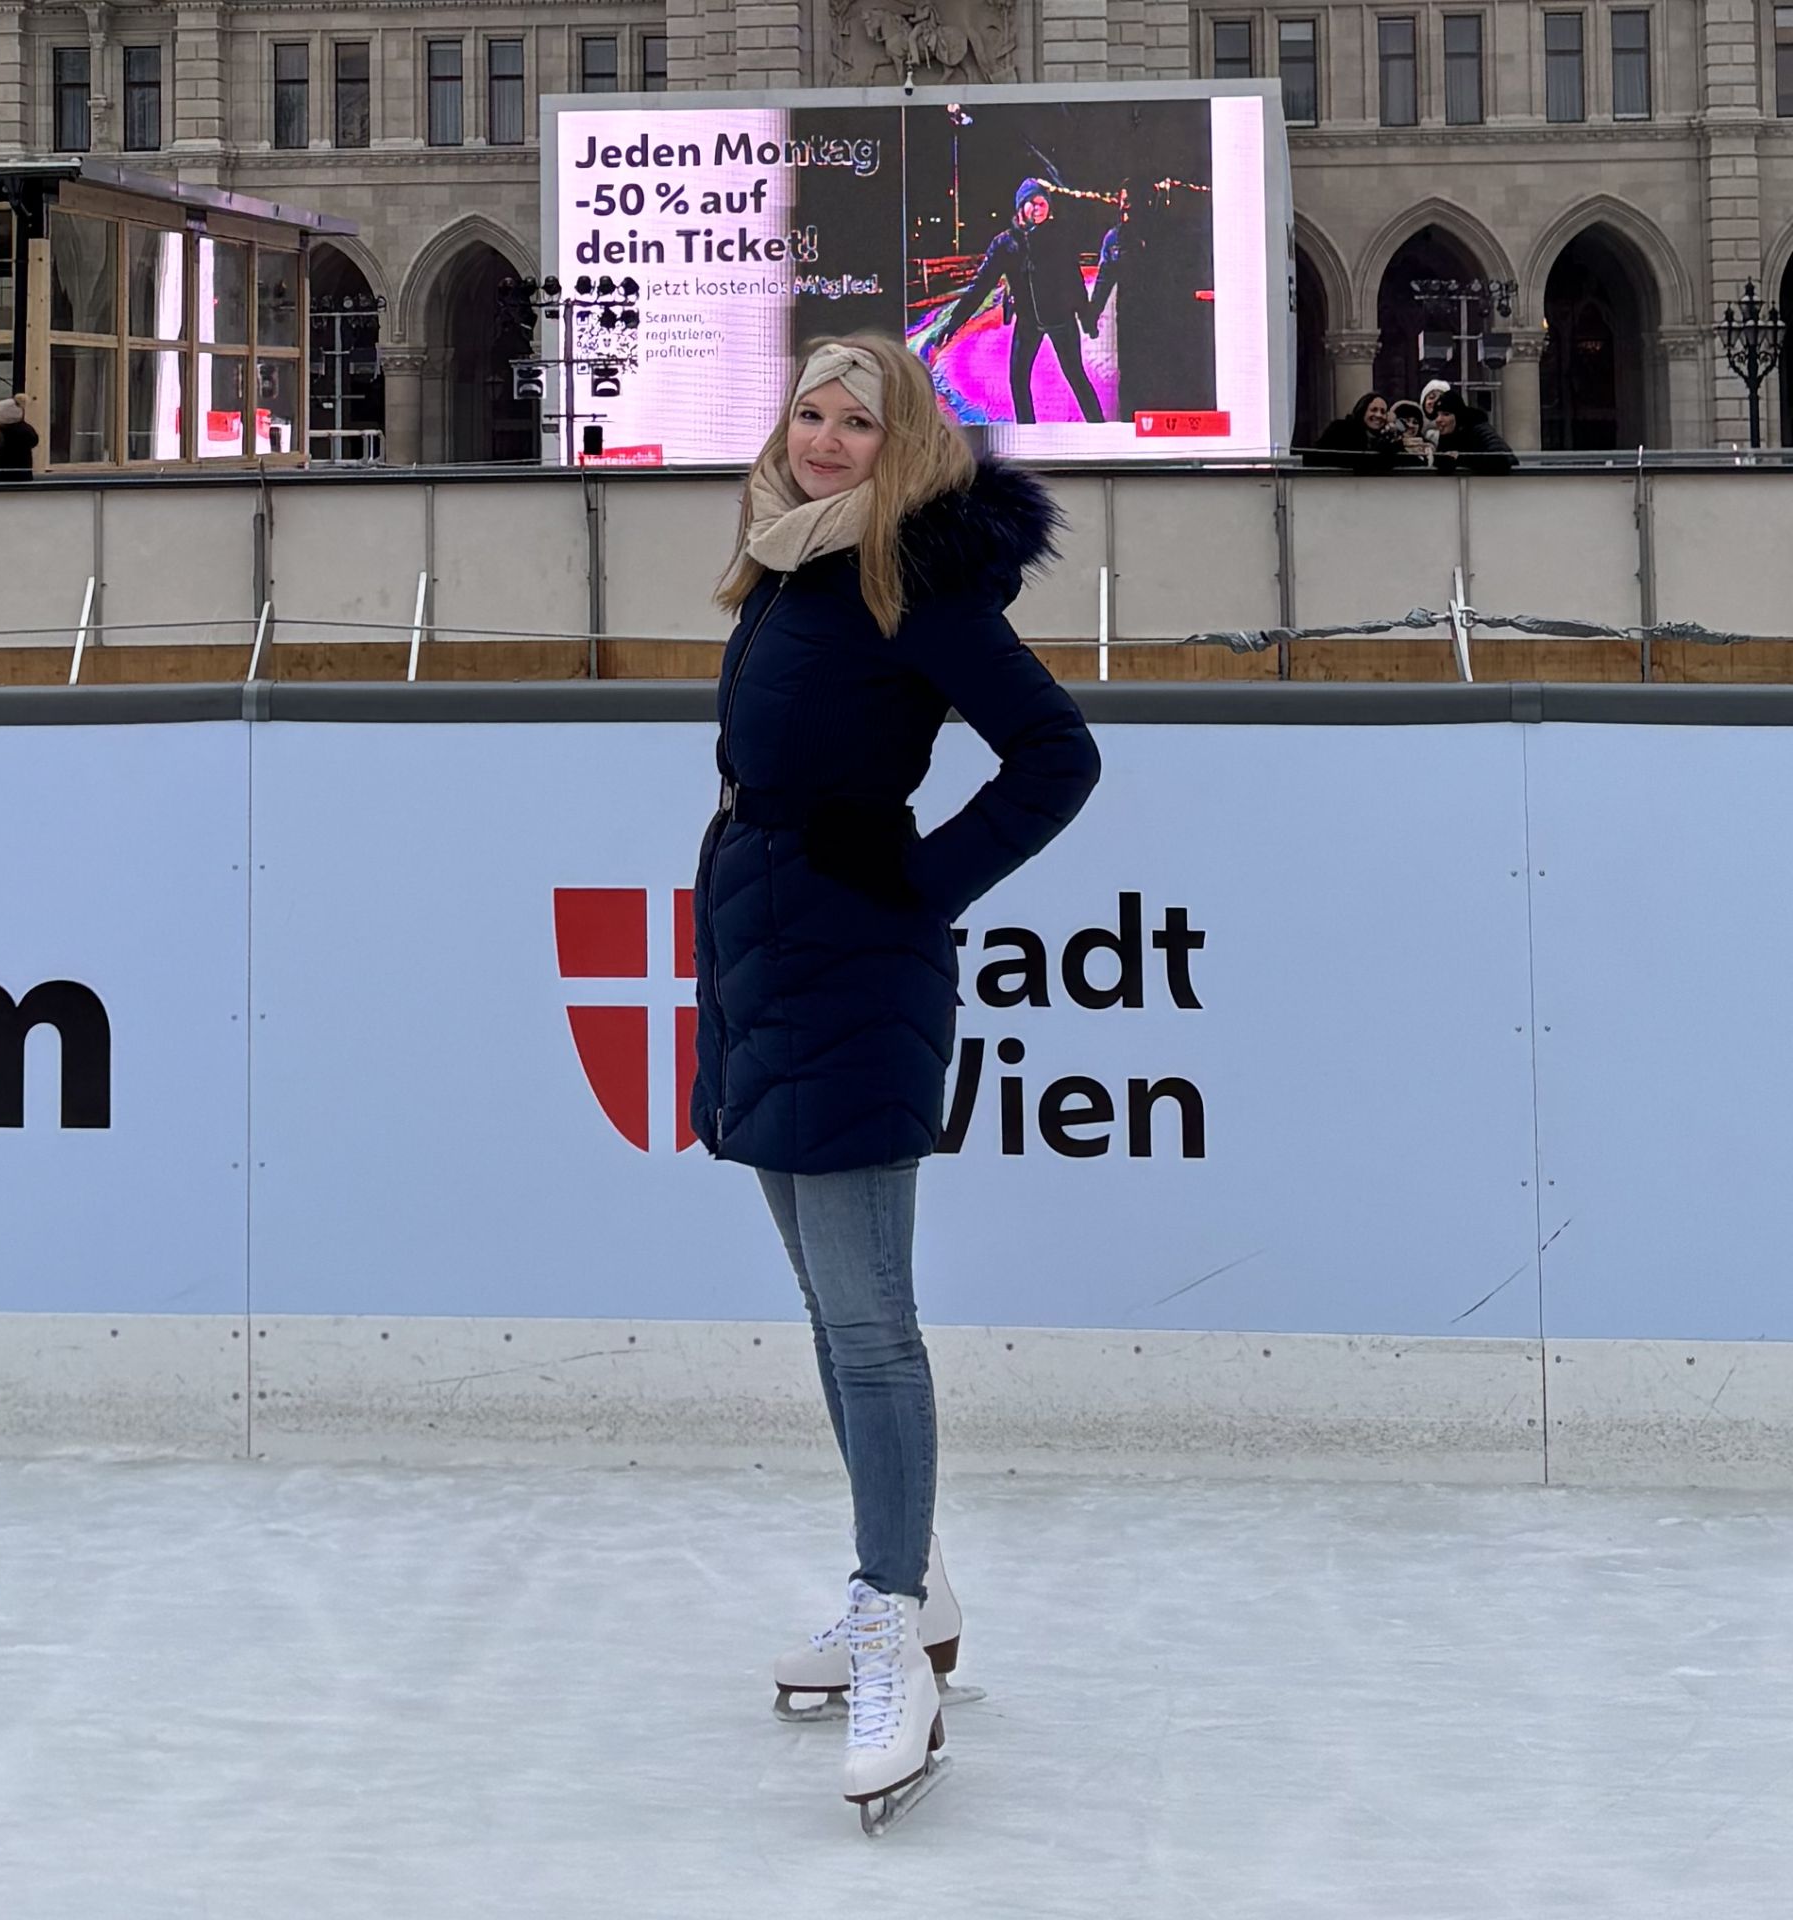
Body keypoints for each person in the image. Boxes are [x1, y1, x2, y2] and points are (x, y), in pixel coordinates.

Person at [692, 334, 1100, 1833]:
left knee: (870, 1325)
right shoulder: (786, 561)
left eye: (857, 421)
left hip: (855, 963)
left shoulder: (912, 580)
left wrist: (925, 883)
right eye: (809, 411)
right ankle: (915, 1591)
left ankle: (891, 1631)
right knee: (827, 1307)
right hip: (765, 949)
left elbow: (1056, 756)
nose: (824, 437)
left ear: (907, 440)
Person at [932, 179, 1105, 424]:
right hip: (1028, 323)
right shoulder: (1006, 244)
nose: (1039, 208)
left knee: (1076, 375)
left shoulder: (1058, 237)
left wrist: (1085, 316)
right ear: (1020, 206)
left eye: (1043, 203)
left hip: (1061, 321)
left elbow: (1073, 281)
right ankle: (1027, 431)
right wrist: (954, 323)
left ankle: (1099, 427)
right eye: (1033, 202)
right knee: (1018, 379)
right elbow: (980, 287)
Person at [1087, 174, 1217, 417]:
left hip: (1165, 319)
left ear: (1148, 202)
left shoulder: (1169, 234)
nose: (1126, 207)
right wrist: (1092, 314)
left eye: (1131, 201)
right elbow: (1104, 279)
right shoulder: (1115, 239)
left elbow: (1187, 272)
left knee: (1163, 378)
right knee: (1132, 379)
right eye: (1123, 201)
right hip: (1131, 321)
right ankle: (1132, 426)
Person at [1301, 392, 1416, 473]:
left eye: (1383, 412)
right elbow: (1365, 464)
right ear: (1362, 410)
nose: (1378, 415)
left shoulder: (1386, 438)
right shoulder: (1342, 429)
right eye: (1373, 410)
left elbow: (1407, 464)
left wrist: (1395, 440)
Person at [1431, 387, 1517, 473]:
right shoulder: (1447, 435)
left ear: (1458, 416)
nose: (1438, 420)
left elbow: (1502, 460)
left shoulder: (1478, 428)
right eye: (1436, 415)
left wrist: (1461, 458)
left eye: (1446, 414)